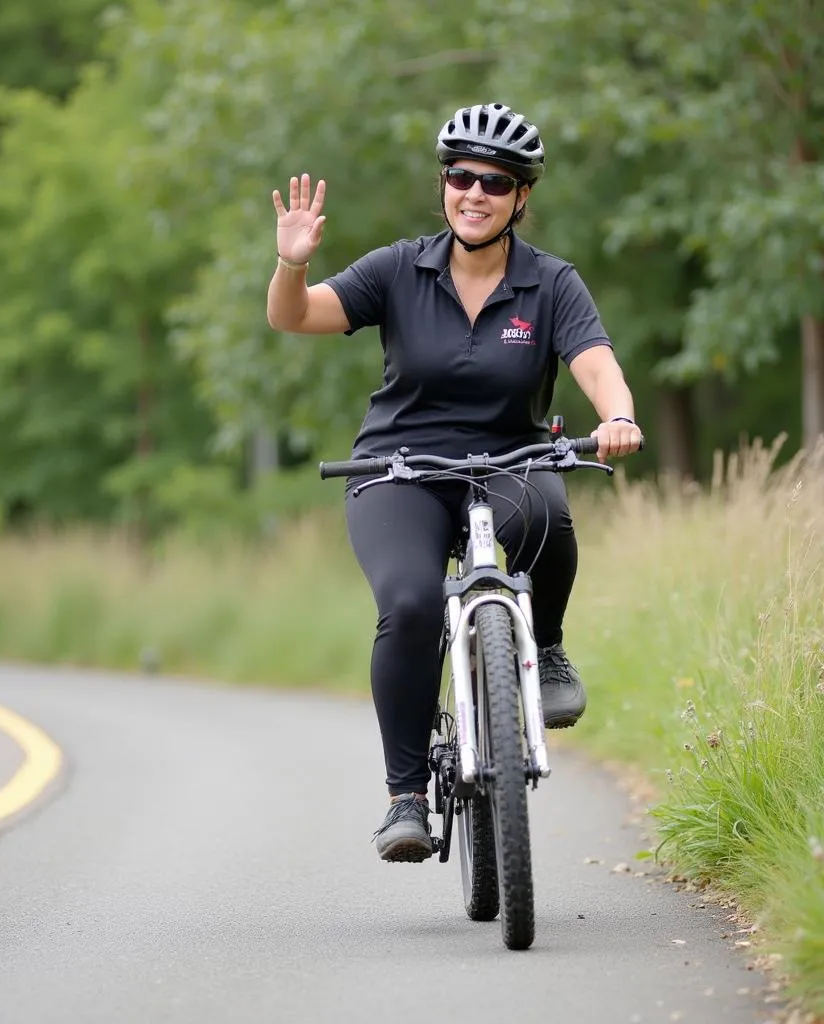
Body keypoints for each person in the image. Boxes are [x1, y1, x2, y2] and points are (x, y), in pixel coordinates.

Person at [266, 102, 643, 863]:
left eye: (495, 182)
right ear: (443, 184)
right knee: (407, 605)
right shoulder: (399, 268)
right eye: (460, 176)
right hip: (398, 471)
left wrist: (619, 415)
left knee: (551, 520)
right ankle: (405, 796)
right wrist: (292, 261)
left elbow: (595, 361)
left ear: (521, 197)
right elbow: (294, 317)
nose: (474, 193)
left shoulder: (550, 284)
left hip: (510, 463)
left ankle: (551, 647)